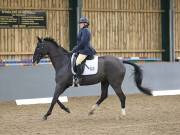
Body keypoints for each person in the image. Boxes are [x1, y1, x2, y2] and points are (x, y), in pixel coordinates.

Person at [72, 16, 96, 86]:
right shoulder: (82, 30)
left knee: (78, 62)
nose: (80, 24)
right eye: (80, 23)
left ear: (85, 24)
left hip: (85, 50)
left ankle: (79, 78)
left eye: (81, 23)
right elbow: (80, 42)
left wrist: (76, 49)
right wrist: (76, 48)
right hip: (82, 49)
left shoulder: (85, 30)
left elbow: (83, 42)